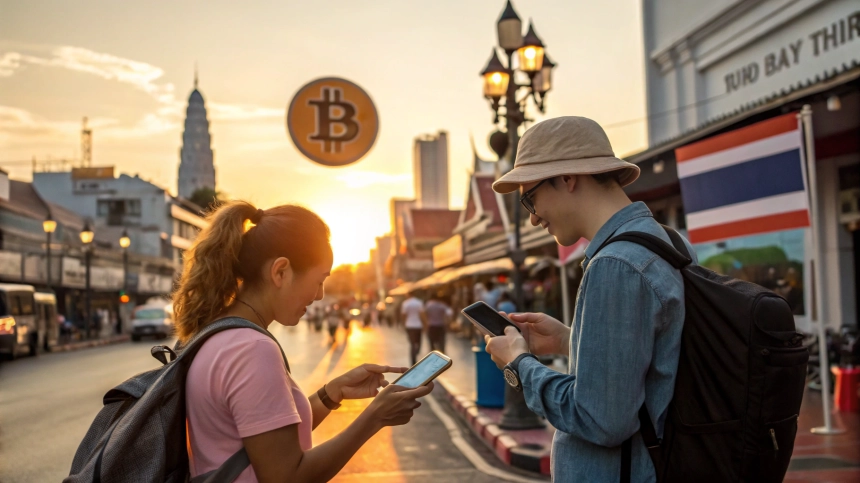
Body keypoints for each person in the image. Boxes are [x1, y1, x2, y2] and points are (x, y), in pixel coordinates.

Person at [484, 116, 696, 482]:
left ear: (568, 178)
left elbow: (600, 419)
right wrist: (570, 340)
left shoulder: (616, 264)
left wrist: (519, 365)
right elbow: (658, 365)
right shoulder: (669, 241)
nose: (533, 219)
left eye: (530, 199)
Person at [173, 201, 432, 482]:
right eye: (319, 280)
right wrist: (374, 418)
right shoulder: (253, 349)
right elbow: (287, 476)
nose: (319, 295)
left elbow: (267, 442)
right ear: (280, 272)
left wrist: (330, 394)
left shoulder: (220, 334)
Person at [400, 292, 425, 365]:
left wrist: (404, 324)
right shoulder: (419, 302)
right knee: (418, 342)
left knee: (412, 343)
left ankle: (413, 359)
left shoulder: (405, 303)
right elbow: (422, 314)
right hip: (418, 325)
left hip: (409, 325)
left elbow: (403, 315)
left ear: (408, 294)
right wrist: (425, 324)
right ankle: (416, 352)